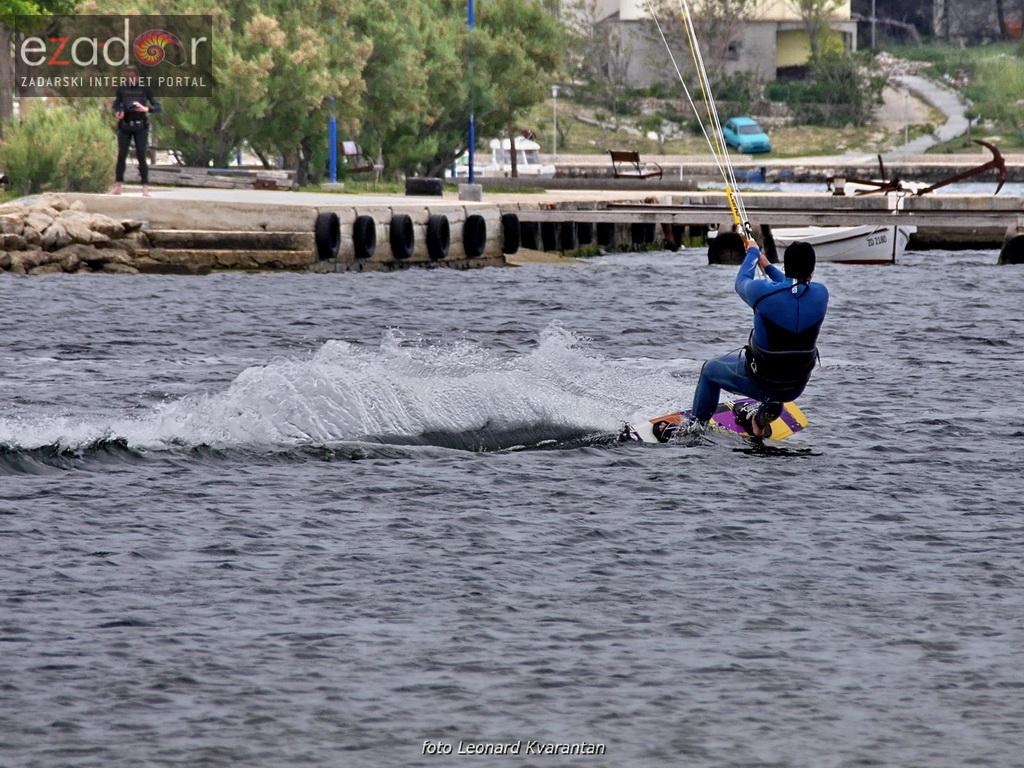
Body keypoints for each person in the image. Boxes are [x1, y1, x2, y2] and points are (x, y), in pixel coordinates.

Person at [690, 239, 829, 438]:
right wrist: (767, 266)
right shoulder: (821, 294)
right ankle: (759, 422)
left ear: (786, 266)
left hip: (760, 380)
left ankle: (694, 430)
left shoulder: (762, 293)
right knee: (779, 384)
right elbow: (794, 288)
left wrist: (753, 254)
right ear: (812, 271)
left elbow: (741, 282)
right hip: (794, 388)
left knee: (709, 372)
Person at [110, 66, 161, 197]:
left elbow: (157, 106)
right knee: (122, 155)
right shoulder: (122, 89)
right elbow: (115, 106)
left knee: (141, 156)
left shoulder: (145, 89)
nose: (130, 80)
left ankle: (145, 187)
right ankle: (118, 186)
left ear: (138, 77)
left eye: (132, 77)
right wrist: (117, 113)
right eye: (128, 78)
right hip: (125, 125)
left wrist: (146, 109)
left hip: (140, 126)